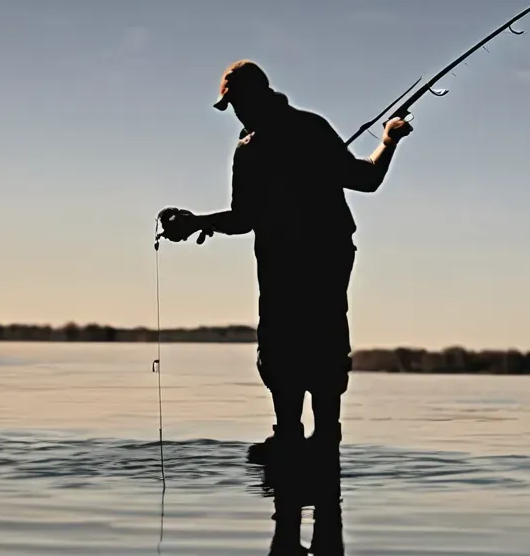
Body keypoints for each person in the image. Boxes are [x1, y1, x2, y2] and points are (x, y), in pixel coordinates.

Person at [158, 60, 412, 464]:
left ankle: (313, 439)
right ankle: (301, 438)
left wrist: (196, 223)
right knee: (299, 346)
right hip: (316, 254)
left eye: (237, 101)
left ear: (260, 93)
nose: (236, 111)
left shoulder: (254, 147)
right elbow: (365, 177)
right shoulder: (306, 129)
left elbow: (245, 219)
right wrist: (390, 139)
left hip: (300, 258)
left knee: (294, 345)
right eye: (230, 105)